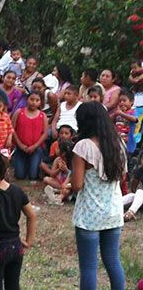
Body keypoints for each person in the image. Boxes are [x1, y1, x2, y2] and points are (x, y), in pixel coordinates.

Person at [70, 102, 126, 290]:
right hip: (113, 212)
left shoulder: (83, 146)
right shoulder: (118, 143)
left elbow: (77, 185)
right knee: (112, 260)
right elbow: (122, 176)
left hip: (89, 215)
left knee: (88, 267)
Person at [0, 148, 37, 290]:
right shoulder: (17, 190)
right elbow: (31, 215)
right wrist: (29, 240)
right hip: (16, 247)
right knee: (13, 285)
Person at [11, 92, 48, 181]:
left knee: (33, 176)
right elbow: (12, 129)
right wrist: (20, 145)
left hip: (36, 148)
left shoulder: (42, 115)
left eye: (37, 100)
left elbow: (45, 133)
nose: (34, 102)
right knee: (20, 176)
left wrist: (35, 146)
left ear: (40, 102)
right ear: (27, 100)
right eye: (31, 99)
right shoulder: (19, 112)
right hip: (21, 148)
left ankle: (35, 164)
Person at [43, 140, 73, 205]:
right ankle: (57, 192)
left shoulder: (71, 161)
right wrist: (59, 169)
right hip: (59, 183)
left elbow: (72, 175)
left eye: (58, 148)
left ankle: (58, 197)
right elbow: (52, 175)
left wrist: (66, 170)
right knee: (46, 179)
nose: (56, 149)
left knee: (66, 190)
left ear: (63, 153)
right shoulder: (57, 160)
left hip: (68, 185)